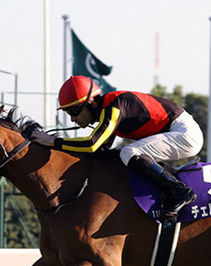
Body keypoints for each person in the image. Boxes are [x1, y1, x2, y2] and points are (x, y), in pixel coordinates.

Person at [30, 76, 201, 218]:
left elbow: (91, 144)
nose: (72, 119)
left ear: (90, 102)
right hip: (175, 131)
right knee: (121, 155)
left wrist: (54, 142)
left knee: (129, 152)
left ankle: (178, 190)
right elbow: (100, 150)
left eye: (73, 112)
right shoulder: (107, 111)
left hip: (184, 133)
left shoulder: (114, 106)